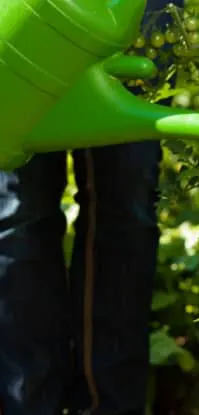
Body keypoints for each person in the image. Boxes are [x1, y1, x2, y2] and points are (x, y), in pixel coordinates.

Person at [0, 1, 183, 414]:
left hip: (140, 11)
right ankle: (28, 403)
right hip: (20, 12)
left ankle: (112, 405)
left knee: (126, 208)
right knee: (19, 212)